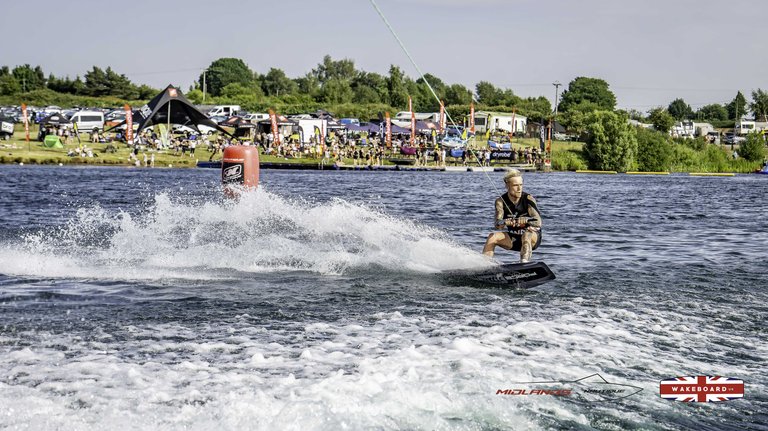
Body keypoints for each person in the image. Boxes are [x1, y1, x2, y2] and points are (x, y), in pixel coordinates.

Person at [482, 169, 542, 262]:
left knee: (526, 235)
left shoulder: (528, 199)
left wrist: (525, 220)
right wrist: (504, 222)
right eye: (515, 185)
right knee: (492, 237)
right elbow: (498, 225)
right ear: (507, 186)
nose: (519, 189)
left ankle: (524, 263)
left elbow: (538, 222)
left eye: (521, 185)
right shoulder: (500, 201)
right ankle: (484, 265)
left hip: (531, 238)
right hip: (513, 238)